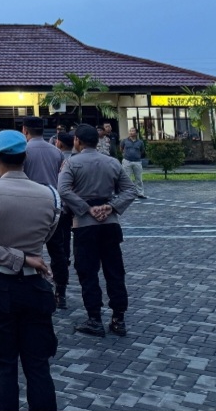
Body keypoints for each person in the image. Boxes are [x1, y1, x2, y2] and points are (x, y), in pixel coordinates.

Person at [0, 129, 61, 411]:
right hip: (36, 288)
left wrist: (14, 258)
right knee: (39, 367)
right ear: (25, 157)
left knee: (2, 368)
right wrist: (25, 257)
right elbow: (46, 235)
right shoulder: (50, 196)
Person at [59, 124, 139, 338]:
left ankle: (94, 318)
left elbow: (63, 190)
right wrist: (111, 206)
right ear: (98, 140)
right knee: (115, 271)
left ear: (77, 140)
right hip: (110, 223)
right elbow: (130, 190)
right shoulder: (112, 162)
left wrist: (86, 208)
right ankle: (118, 318)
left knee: (88, 272)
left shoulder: (71, 163)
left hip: (85, 224)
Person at [21, 116, 67, 309]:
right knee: (59, 253)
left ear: (25, 130)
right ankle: (61, 292)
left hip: (28, 207)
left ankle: (28, 288)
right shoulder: (57, 152)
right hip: (54, 206)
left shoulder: (22, 151)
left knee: (26, 249)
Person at [120, 128, 147, 199]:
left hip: (137, 161)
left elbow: (142, 151)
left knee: (138, 178)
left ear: (136, 133)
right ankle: (127, 194)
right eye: (130, 131)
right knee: (127, 178)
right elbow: (121, 149)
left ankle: (140, 193)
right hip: (127, 161)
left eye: (133, 131)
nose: (131, 132)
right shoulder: (124, 141)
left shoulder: (140, 142)